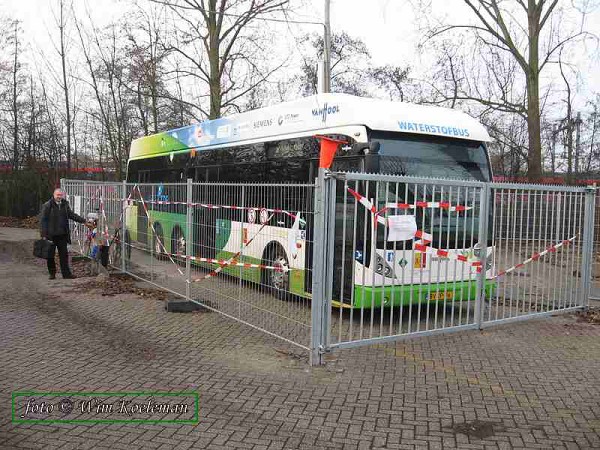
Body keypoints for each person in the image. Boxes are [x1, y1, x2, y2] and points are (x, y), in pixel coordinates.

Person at [40, 188, 89, 279]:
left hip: (62, 235)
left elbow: (71, 215)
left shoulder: (65, 205)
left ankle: (66, 274)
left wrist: (84, 221)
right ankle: (52, 273)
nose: (59, 197)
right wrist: (43, 235)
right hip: (51, 235)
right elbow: (43, 221)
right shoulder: (47, 205)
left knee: (64, 256)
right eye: (57, 195)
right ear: (54, 195)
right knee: (50, 256)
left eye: (60, 195)